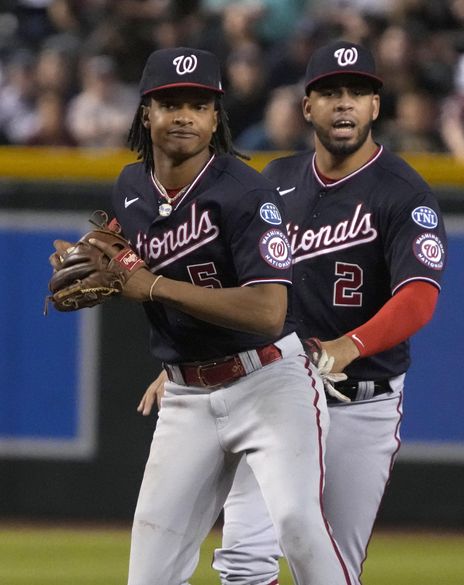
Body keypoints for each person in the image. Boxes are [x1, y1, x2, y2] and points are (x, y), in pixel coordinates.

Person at [138, 40, 447, 585]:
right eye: (329, 93)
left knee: (324, 558)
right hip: (273, 386)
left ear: (377, 106)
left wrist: (351, 345)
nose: (344, 104)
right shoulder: (272, 182)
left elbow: (420, 294)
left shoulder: (402, 192)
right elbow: (233, 285)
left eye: (358, 93)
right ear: (307, 107)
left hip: (358, 400)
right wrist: (178, 364)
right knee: (242, 561)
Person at [57, 47, 352, 585]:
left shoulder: (247, 192)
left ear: (216, 117)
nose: (185, 116)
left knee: (298, 525)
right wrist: (112, 262)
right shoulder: (130, 186)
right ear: (146, 112)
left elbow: (268, 312)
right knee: (149, 568)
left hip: (270, 382)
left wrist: (151, 285)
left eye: (199, 104)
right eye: (171, 104)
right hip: (188, 393)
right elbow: (138, 261)